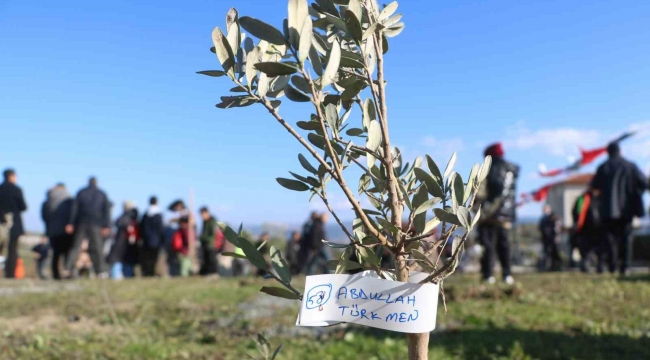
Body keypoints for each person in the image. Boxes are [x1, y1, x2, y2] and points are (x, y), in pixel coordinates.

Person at [590, 142, 647, 276]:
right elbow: (644, 182)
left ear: (607, 153)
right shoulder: (630, 166)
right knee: (626, 238)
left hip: (608, 210)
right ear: (620, 151)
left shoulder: (603, 167)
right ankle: (625, 267)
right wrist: (635, 194)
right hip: (627, 209)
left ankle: (612, 266)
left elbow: (594, 186)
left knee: (610, 240)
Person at [475, 143, 519, 285]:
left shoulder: (488, 169)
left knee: (487, 246)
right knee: (504, 246)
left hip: (489, 215)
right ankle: (507, 275)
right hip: (506, 215)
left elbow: (482, 192)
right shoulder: (512, 169)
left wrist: (478, 210)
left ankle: (488, 275)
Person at [65, 177, 111, 279]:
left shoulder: (81, 192)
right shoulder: (101, 194)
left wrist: (70, 223)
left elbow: (74, 209)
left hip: (82, 223)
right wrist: (106, 225)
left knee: (75, 246)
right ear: (96, 183)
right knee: (97, 248)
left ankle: (68, 269)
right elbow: (106, 211)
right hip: (96, 224)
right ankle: (100, 271)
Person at [41, 183, 74, 280]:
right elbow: (73, 213)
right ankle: (67, 272)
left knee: (56, 253)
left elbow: (44, 216)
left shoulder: (48, 199)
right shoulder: (69, 198)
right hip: (66, 230)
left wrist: (49, 227)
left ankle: (56, 274)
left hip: (52, 230)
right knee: (67, 252)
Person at [0, 169, 27, 279]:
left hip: (1, 222)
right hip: (14, 224)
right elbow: (23, 207)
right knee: (12, 250)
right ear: (11, 176)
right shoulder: (16, 189)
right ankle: (10, 273)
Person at [571, 189, 602, 272]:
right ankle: (586, 265)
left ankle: (595, 265)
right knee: (585, 248)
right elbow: (578, 212)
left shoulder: (598, 198)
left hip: (595, 228)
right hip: (585, 228)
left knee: (592, 248)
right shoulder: (583, 198)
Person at [108, 201, 139, 279]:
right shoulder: (134, 217)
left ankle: (117, 276)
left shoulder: (125, 217)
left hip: (122, 243)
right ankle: (124, 275)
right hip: (128, 244)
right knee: (126, 261)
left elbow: (118, 223)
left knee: (118, 260)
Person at [140, 196, 164, 277]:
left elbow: (142, 227)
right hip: (156, 241)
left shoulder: (145, 214)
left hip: (146, 241)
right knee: (155, 258)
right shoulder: (158, 215)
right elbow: (161, 229)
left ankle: (148, 273)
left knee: (148, 258)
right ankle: (154, 273)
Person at [539, 204, 562, 272]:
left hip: (553, 238)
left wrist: (556, 236)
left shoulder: (553, 217)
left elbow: (557, 227)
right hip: (546, 239)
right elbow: (541, 228)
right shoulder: (543, 218)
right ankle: (549, 267)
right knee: (547, 253)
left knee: (554, 253)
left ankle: (556, 267)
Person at [198, 207, 218, 276]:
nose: (201, 216)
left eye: (202, 214)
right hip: (204, 243)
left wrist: (202, 238)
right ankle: (205, 273)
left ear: (206, 213)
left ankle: (213, 273)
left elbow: (213, 234)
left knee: (211, 259)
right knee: (205, 259)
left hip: (210, 244)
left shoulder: (212, 221)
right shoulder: (205, 221)